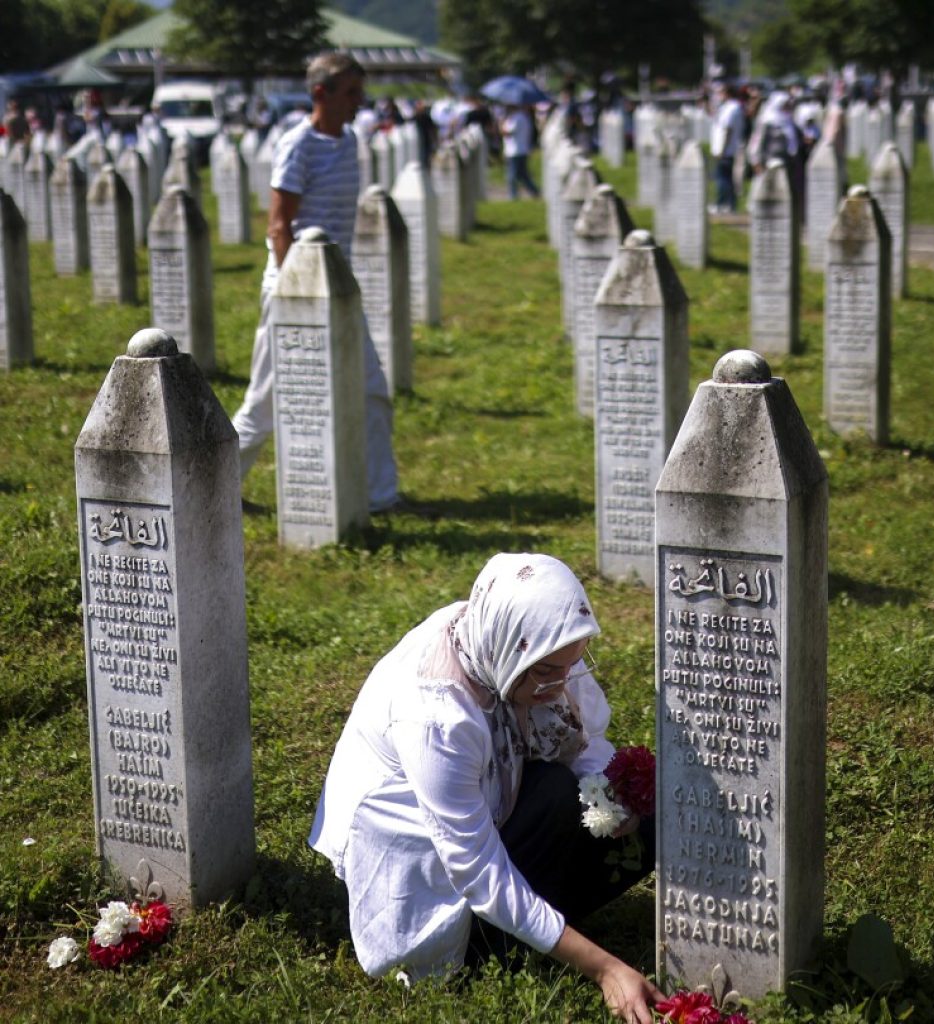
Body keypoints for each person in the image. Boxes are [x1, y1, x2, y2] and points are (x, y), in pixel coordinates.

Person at [309, 552, 666, 1023]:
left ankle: (538, 925)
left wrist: (618, 798)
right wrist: (605, 969)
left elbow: (584, 746)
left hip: (485, 812)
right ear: (511, 654)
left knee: (633, 813)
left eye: (570, 664)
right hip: (422, 869)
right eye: (545, 672)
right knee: (556, 799)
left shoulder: (512, 638)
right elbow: (477, 871)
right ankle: (486, 942)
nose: (560, 685)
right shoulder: (437, 715)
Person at [231, 51, 398, 511]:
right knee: (264, 405)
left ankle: (382, 497)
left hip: (337, 287)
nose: (360, 102)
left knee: (372, 391)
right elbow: (279, 225)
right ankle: (214, 484)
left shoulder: (347, 142)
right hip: (294, 287)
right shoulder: (297, 144)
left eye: (361, 92)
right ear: (320, 93)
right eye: (351, 92)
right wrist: (294, 294)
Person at [709, 82, 746, 213]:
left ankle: (721, 204)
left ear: (727, 93)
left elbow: (727, 130)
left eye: (720, 93)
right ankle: (729, 205)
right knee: (726, 178)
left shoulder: (733, 108)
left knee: (723, 179)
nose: (718, 96)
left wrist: (722, 149)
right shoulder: (726, 107)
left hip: (726, 149)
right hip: (723, 149)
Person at [501, 104, 539, 200]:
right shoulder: (522, 117)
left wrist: (500, 124)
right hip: (519, 149)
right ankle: (534, 191)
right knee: (522, 175)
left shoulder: (518, 118)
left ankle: (513, 196)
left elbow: (508, 132)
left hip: (516, 150)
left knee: (512, 176)